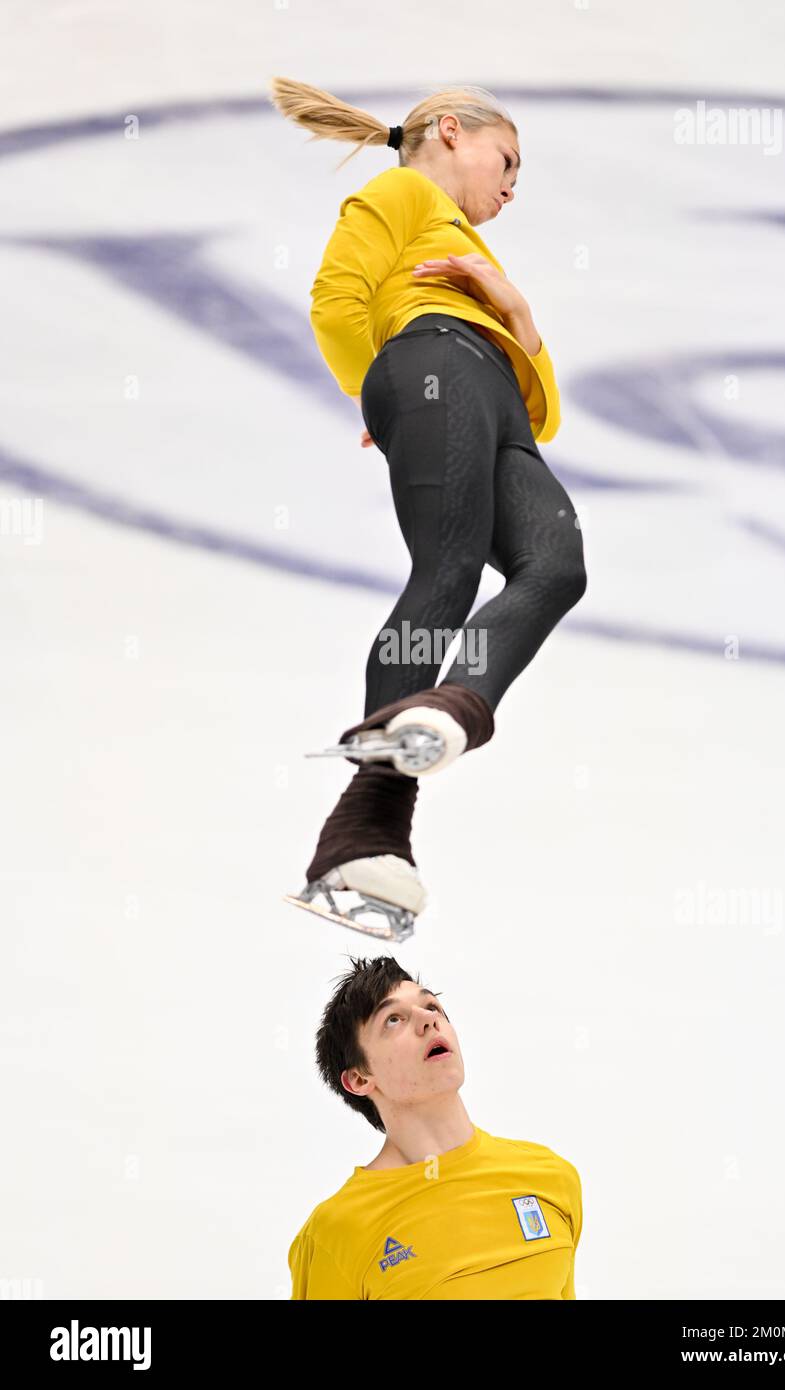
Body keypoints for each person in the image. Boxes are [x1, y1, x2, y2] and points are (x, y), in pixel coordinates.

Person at [270, 80, 588, 933]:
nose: (513, 186)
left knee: (555, 565)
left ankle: (451, 706)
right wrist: (378, 391)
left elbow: (546, 409)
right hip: (429, 365)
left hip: (500, 409)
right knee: (448, 563)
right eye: (507, 160)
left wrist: (513, 306)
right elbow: (336, 302)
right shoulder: (405, 191)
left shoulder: (481, 262)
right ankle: (367, 826)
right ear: (451, 131)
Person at [288, 955, 583, 1299]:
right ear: (359, 1078)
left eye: (432, 1006)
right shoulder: (336, 1231)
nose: (428, 1019)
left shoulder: (549, 1175)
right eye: (394, 1019)